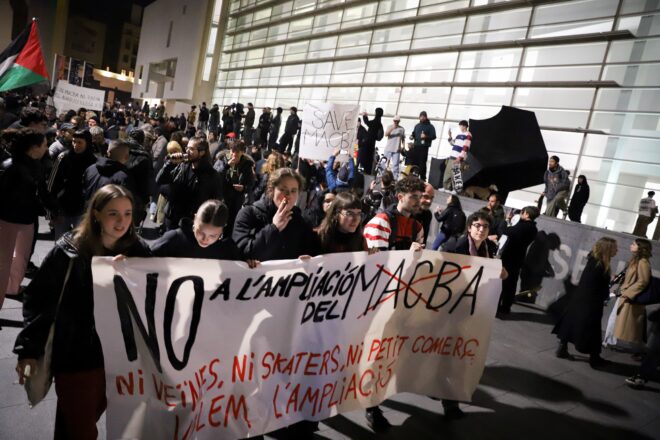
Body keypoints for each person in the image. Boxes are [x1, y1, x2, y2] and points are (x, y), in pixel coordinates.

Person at [14, 185, 151, 439]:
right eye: (113, 213)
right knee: (80, 427)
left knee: (76, 421)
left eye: (128, 213)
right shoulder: (69, 251)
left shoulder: (139, 252)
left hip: (122, 358)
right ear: (96, 214)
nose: (122, 221)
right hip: (78, 356)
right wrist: (28, 350)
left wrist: (246, 267)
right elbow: (38, 299)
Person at [442, 211, 505, 419]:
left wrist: (500, 271)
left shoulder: (488, 249)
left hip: (470, 311)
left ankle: (444, 395)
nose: (481, 229)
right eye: (477, 225)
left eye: (485, 227)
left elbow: (494, 274)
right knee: (450, 357)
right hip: (449, 310)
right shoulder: (456, 245)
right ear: (469, 227)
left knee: (456, 357)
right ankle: (448, 402)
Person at [0, 129, 53, 309]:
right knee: (3, 265)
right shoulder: (9, 166)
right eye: (44, 145)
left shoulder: (36, 165)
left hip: (26, 220)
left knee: (20, 259)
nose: (47, 148)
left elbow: (42, 191)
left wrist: (52, 208)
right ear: (33, 148)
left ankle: (13, 288)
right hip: (7, 221)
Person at [553, 237, 617, 368]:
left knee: (571, 323)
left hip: (580, 299)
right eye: (615, 248)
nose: (617, 250)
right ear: (607, 249)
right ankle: (594, 359)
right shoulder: (600, 265)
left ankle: (562, 347)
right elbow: (597, 286)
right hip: (591, 303)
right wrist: (605, 292)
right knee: (592, 330)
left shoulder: (593, 260)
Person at [232, 168, 320, 261]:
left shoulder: (299, 219)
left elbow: (311, 250)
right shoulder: (248, 214)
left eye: (294, 191)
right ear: (272, 190)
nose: (289, 195)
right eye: (283, 190)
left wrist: (310, 258)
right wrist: (274, 228)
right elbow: (241, 253)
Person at [156, 136, 222, 230]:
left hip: (191, 223)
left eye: (191, 149)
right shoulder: (182, 166)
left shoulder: (212, 175)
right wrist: (169, 163)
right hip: (172, 220)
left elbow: (216, 201)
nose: (187, 151)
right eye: (187, 148)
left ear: (202, 152)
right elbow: (159, 181)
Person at [151, 199, 244, 260]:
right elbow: (144, 260)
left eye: (213, 236)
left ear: (222, 229)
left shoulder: (227, 250)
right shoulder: (173, 240)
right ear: (195, 219)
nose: (205, 239)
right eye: (201, 232)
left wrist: (250, 264)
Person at [48, 129, 98, 239]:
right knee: (60, 245)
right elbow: (52, 184)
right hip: (62, 207)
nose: (76, 145)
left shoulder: (94, 162)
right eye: (74, 141)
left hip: (83, 210)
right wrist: (52, 211)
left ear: (87, 143)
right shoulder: (63, 157)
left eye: (79, 142)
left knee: (80, 244)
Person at [497, 206, 540, 315]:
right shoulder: (534, 229)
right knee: (511, 284)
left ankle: (497, 307)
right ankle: (506, 307)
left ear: (526, 214)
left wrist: (506, 220)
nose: (520, 214)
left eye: (522, 212)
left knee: (502, 283)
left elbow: (504, 230)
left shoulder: (523, 227)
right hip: (518, 259)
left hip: (509, 258)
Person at [613, 238, 652, 349]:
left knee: (632, 329)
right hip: (624, 295)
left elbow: (643, 281)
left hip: (629, 298)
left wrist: (628, 293)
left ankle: (642, 352)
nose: (631, 245)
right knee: (617, 322)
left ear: (640, 248)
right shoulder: (635, 260)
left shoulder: (643, 262)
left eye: (634, 244)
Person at [215, 140, 256, 234]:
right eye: (232, 151)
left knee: (232, 221)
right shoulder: (222, 159)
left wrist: (244, 188)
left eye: (237, 152)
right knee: (220, 218)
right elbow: (215, 176)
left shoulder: (247, 164)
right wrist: (226, 166)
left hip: (236, 198)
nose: (234, 154)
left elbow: (251, 183)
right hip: (223, 196)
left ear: (242, 152)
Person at [444, 120, 471, 191]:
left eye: (460, 125)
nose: (459, 127)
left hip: (458, 158)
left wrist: (459, 157)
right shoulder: (459, 135)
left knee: (456, 175)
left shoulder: (468, 135)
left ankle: (455, 190)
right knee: (448, 173)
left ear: (464, 126)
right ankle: (446, 188)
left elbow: (466, 147)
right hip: (452, 156)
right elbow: (453, 143)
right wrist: (450, 136)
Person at [409, 111, 436, 181]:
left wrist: (426, 136)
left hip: (424, 147)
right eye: (421, 116)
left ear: (426, 117)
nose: (422, 117)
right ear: (419, 117)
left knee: (422, 163)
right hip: (416, 146)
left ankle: (423, 178)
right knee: (414, 162)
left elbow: (434, 136)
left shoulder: (430, 126)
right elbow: (414, 134)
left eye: (424, 116)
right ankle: (413, 177)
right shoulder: (417, 126)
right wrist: (412, 136)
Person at [359, 108, 384, 175]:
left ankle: (363, 172)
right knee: (369, 159)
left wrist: (364, 116)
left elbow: (367, 122)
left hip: (367, 143)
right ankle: (368, 173)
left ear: (376, 113)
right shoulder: (380, 124)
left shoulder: (374, 122)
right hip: (372, 143)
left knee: (364, 158)